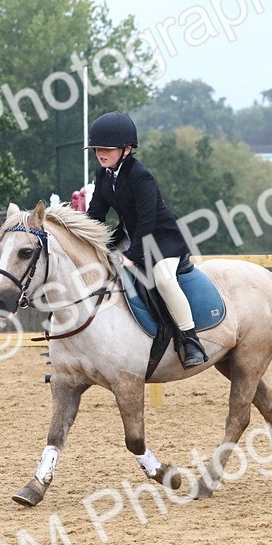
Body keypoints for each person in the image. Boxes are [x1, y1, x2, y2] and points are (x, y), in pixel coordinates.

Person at [84, 111, 207, 368]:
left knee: (163, 279)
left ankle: (190, 338)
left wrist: (130, 256)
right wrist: (82, 238)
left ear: (126, 149)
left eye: (107, 148)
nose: (100, 153)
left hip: (162, 240)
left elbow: (147, 222)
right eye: (97, 148)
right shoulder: (103, 173)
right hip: (131, 235)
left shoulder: (141, 176)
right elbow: (95, 213)